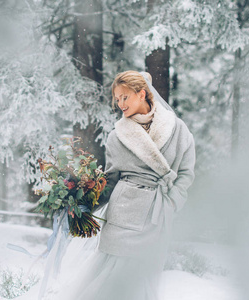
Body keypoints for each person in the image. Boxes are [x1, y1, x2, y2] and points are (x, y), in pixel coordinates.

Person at [44, 70, 195, 300]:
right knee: (110, 280)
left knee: (145, 280)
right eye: (117, 99)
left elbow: (185, 172)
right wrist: (82, 202)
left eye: (125, 97)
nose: (120, 104)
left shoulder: (176, 129)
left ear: (142, 93)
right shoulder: (117, 136)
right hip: (122, 215)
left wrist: (174, 201)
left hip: (158, 213)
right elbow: (111, 180)